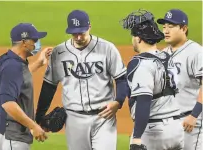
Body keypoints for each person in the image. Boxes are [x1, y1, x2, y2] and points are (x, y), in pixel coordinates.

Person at [35, 10, 127, 150]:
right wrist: (40, 116)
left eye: (81, 33)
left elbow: (121, 78)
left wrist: (118, 101)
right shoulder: (59, 52)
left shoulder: (107, 48)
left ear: (89, 27)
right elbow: (49, 85)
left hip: (103, 117)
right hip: (74, 119)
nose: (78, 37)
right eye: (74, 33)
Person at [120, 9, 184, 150]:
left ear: (138, 38)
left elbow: (144, 100)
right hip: (177, 130)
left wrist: (137, 138)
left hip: (154, 132)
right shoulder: (168, 58)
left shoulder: (141, 64)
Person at [0, 23, 52, 150]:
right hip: (11, 133)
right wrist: (33, 126)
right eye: (34, 40)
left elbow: (19, 77)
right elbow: (8, 103)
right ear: (24, 42)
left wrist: (39, 63)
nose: (37, 43)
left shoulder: (13, 61)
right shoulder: (12, 66)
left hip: (9, 131)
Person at [157, 9, 202, 150]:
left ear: (184, 28)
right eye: (164, 27)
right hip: (169, 122)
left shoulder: (196, 52)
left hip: (191, 122)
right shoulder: (163, 54)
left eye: (171, 26)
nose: (166, 30)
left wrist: (194, 115)